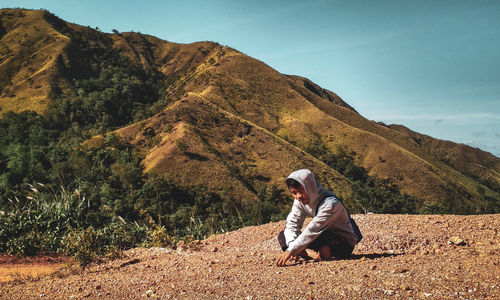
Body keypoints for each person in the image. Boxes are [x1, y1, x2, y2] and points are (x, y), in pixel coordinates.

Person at [276, 169, 359, 267]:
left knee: (318, 235)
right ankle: (313, 254)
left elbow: (314, 228)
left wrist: (291, 250)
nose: (298, 196)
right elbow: (292, 224)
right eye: (294, 192)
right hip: (319, 235)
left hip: (342, 241)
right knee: (283, 235)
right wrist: (291, 246)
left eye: (301, 191)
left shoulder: (330, 203)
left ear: (310, 187)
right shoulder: (299, 201)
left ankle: (309, 252)